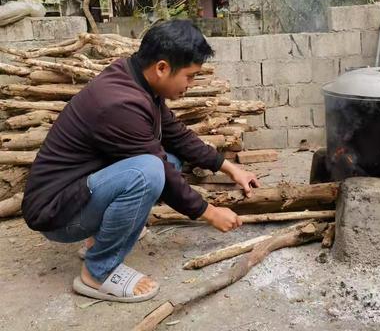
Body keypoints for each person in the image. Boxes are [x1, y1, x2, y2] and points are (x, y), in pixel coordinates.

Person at [22, 20, 260, 303]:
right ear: (161, 67)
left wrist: (229, 167)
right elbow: (161, 173)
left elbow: (176, 136)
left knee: (165, 160)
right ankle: (97, 273)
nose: (191, 84)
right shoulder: (119, 103)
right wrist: (209, 212)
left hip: (77, 193)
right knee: (149, 171)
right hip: (57, 216)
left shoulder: (136, 81)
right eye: (190, 76)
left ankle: (96, 241)